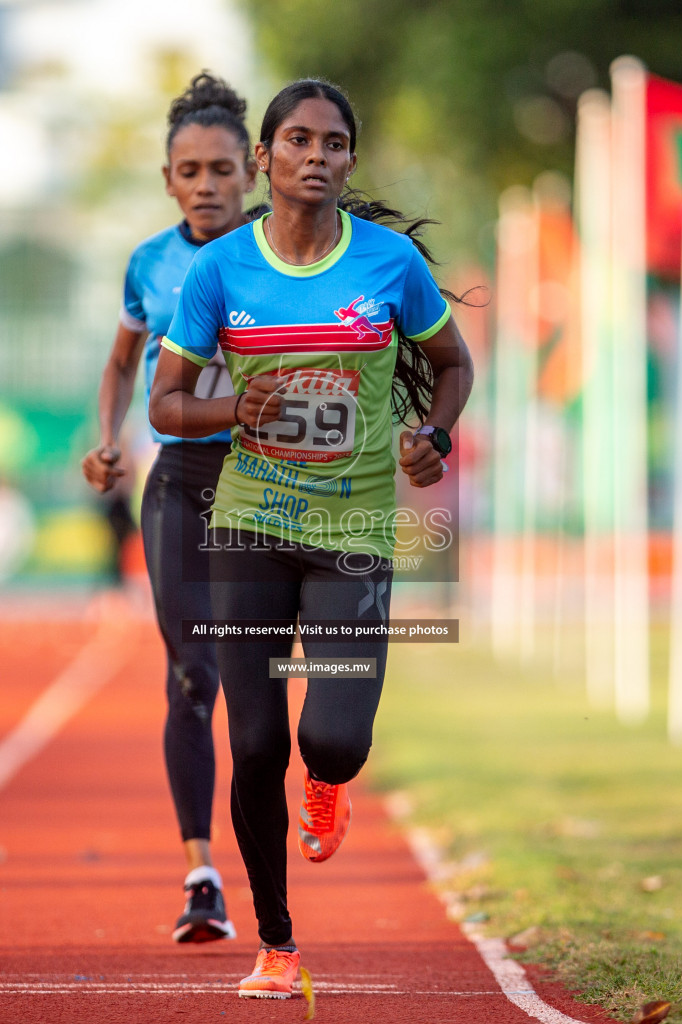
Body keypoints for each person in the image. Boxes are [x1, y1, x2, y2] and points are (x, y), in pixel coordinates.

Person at [148, 78, 473, 999]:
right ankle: (277, 945)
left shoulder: (389, 263)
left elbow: (452, 363)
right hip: (248, 526)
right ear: (266, 158)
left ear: (349, 163)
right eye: (298, 141)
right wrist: (228, 406)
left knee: (330, 738)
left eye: (334, 144)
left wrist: (433, 435)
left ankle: (329, 782)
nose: (316, 157)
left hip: (354, 531)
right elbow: (168, 403)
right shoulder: (220, 273)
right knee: (254, 743)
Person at [80, 71, 257, 945]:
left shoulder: (286, 255)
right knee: (193, 675)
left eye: (222, 168)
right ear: (168, 180)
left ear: (252, 173)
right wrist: (107, 435)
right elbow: (120, 361)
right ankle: (201, 875)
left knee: (268, 673)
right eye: (189, 170)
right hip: (182, 480)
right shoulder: (149, 263)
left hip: (274, 484)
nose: (207, 185)